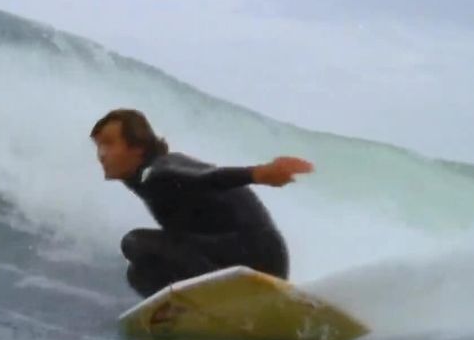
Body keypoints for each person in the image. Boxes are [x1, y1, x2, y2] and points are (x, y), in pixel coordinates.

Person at [90, 108, 313, 298]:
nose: (101, 154)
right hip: (251, 258)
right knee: (140, 274)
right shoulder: (148, 175)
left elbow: (207, 178)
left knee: (134, 242)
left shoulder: (159, 172)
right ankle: (199, 307)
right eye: (99, 146)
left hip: (257, 255)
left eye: (109, 144)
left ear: (137, 148)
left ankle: (223, 296)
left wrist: (257, 173)